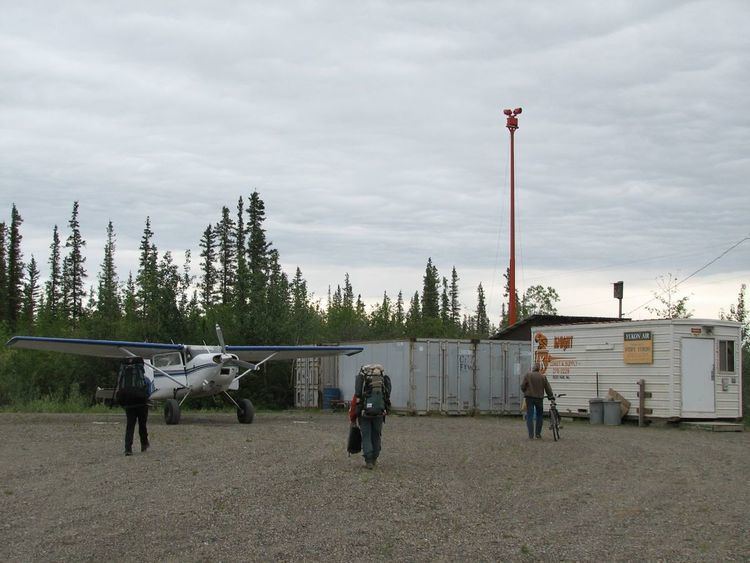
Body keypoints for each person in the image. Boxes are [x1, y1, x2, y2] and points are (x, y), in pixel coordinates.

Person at [349, 364, 391, 469]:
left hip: (364, 414)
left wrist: (353, 418)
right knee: (376, 435)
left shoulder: (363, 381)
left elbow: (356, 399)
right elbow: (387, 396)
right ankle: (375, 458)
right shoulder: (381, 382)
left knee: (366, 436)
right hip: (379, 413)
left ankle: (368, 461)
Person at [114, 357, 153, 456]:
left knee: (130, 426)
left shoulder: (125, 379)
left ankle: (128, 448)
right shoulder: (145, 379)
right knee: (142, 425)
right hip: (142, 404)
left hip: (129, 404)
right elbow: (149, 392)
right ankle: (144, 444)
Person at [520, 362, 554, 440]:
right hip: (539, 398)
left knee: (530, 416)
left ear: (533, 368)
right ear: (539, 369)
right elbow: (547, 388)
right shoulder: (543, 377)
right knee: (539, 416)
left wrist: (525, 391)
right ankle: (538, 434)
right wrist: (550, 396)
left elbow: (522, 386)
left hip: (529, 398)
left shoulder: (528, 375)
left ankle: (531, 435)